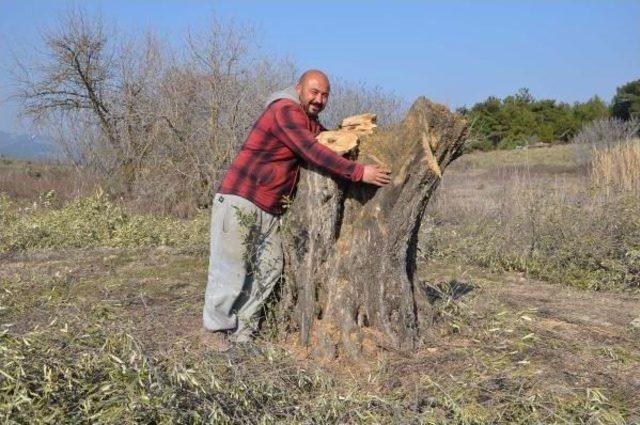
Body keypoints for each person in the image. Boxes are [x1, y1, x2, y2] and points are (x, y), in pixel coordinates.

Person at [202, 70, 391, 346]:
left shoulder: (307, 121)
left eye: (325, 95)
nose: (319, 99)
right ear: (298, 88)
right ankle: (215, 333)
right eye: (314, 92)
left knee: (270, 268)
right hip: (240, 198)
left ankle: (243, 334)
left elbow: (325, 140)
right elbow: (312, 151)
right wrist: (359, 172)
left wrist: (351, 134)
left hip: (269, 208)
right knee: (231, 268)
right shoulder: (285, 110)